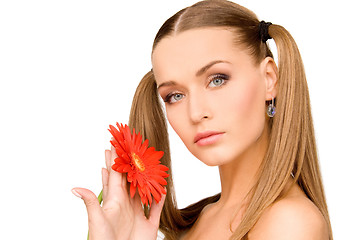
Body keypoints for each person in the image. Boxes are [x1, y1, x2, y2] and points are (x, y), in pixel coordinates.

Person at [72, 0, 333, 239]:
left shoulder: (289, 223)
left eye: (217, 80)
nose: (196, 113)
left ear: (269, 79)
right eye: (175, 96)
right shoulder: (194, 223)